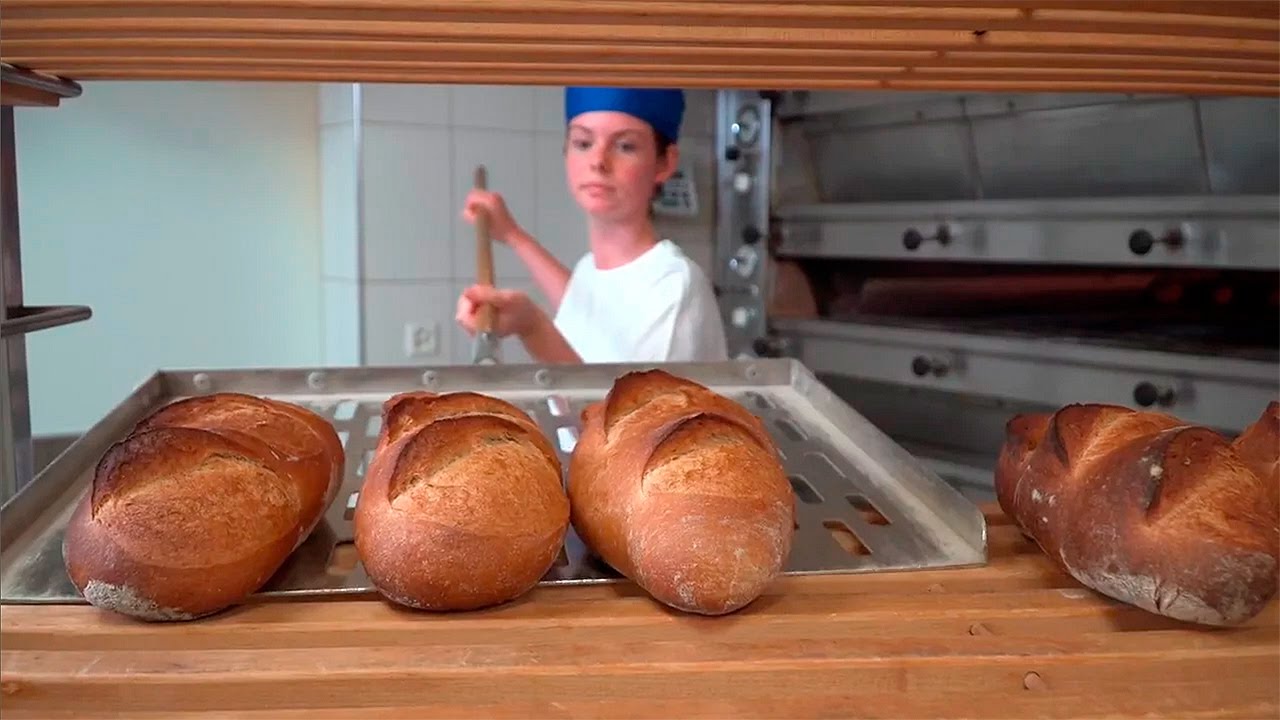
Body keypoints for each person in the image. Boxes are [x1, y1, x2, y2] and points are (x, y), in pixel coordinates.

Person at [454, 86, 728, 365]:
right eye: (583, 143)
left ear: (665, 163)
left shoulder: (674, 288)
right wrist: (513, 235)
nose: (598, 162)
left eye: (625, 146)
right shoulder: (591, 268)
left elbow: (622, 409)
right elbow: (585, 312)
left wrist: (533, 328)